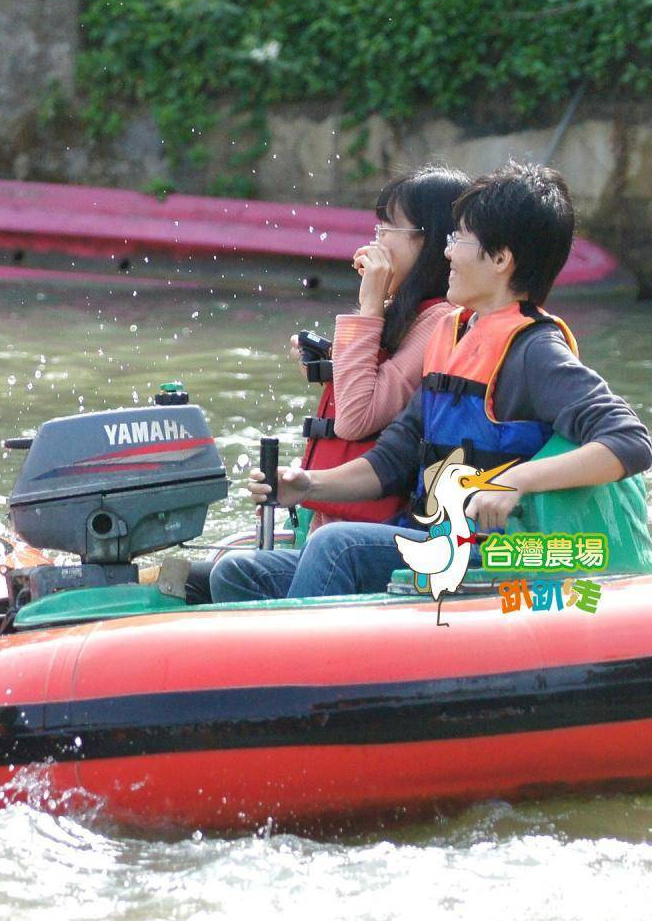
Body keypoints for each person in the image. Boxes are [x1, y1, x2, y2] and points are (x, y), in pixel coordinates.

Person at [211, 161, 652, 602]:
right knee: (238, 573)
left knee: (337, 544)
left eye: (458, 239)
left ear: (500, 260)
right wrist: (307, 485)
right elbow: (393, 459)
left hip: (489, 555)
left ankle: (303, 667)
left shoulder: (534, 351)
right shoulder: (453, 334)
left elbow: (630, 440)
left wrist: (515, 481)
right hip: (428, 542)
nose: (446, 253)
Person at [296, 166, 468, 529]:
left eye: (389, 230)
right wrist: (328, 364)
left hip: (376, 531)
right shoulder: (409, 313)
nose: (377, 242)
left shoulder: (441, 321)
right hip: (335, 522)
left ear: (430, 241)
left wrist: (371, 304)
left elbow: (356, 419)